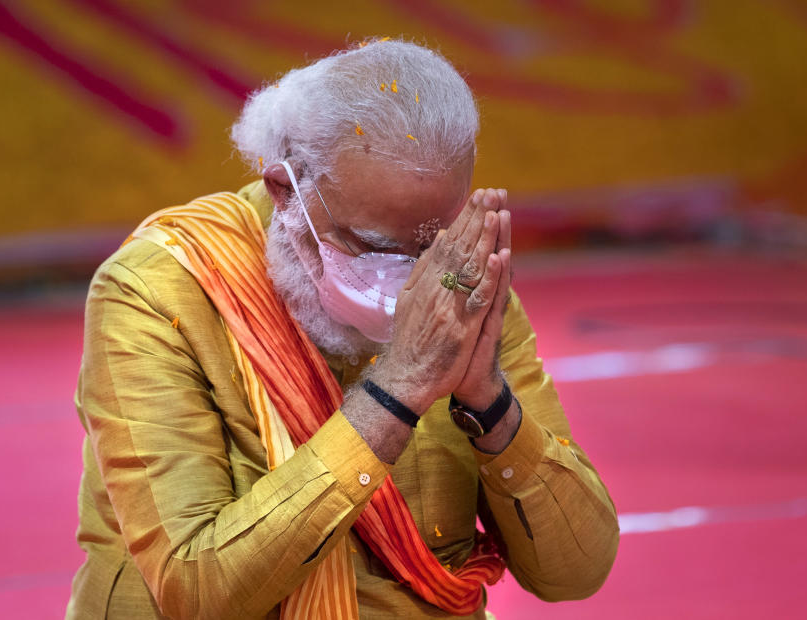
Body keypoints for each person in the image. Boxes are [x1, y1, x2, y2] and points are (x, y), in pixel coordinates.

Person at [66, 39, 618, 619]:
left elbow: (576, 571)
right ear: (287, 190)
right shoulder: (160, 289)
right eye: (374, 247)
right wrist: (397, 393)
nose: (408, 278)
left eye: (427, 246)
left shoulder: (457, 286)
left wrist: (491, 405)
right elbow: (195, 591)